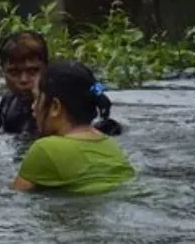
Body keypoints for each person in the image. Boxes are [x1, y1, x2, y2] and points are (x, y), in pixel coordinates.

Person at [14, 60, 134, 194]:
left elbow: (15, 195)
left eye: (37, 99)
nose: (33, 107)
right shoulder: (111, 145)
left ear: (55, 107)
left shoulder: (45, 149)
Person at [0, 30, 48, 135]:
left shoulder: (55, 108)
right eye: (14, 72)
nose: (24, 80)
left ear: (46, 68)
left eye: (32, 71)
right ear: (3, 72)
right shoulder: (8, 99)